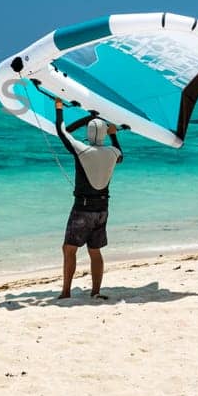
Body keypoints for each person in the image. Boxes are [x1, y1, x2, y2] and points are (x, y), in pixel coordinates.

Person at [53, 101, 122, 300]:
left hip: (83, 209)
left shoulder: (82, 150)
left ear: (89, 134)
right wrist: (113, 133)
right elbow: (120, 154)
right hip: (102, 209)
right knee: (95, 250)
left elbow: (61, 131)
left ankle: (66, 292)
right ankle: (96, 291)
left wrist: (59, 107)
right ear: (103, 135)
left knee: (69, 249)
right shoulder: (112, 153)